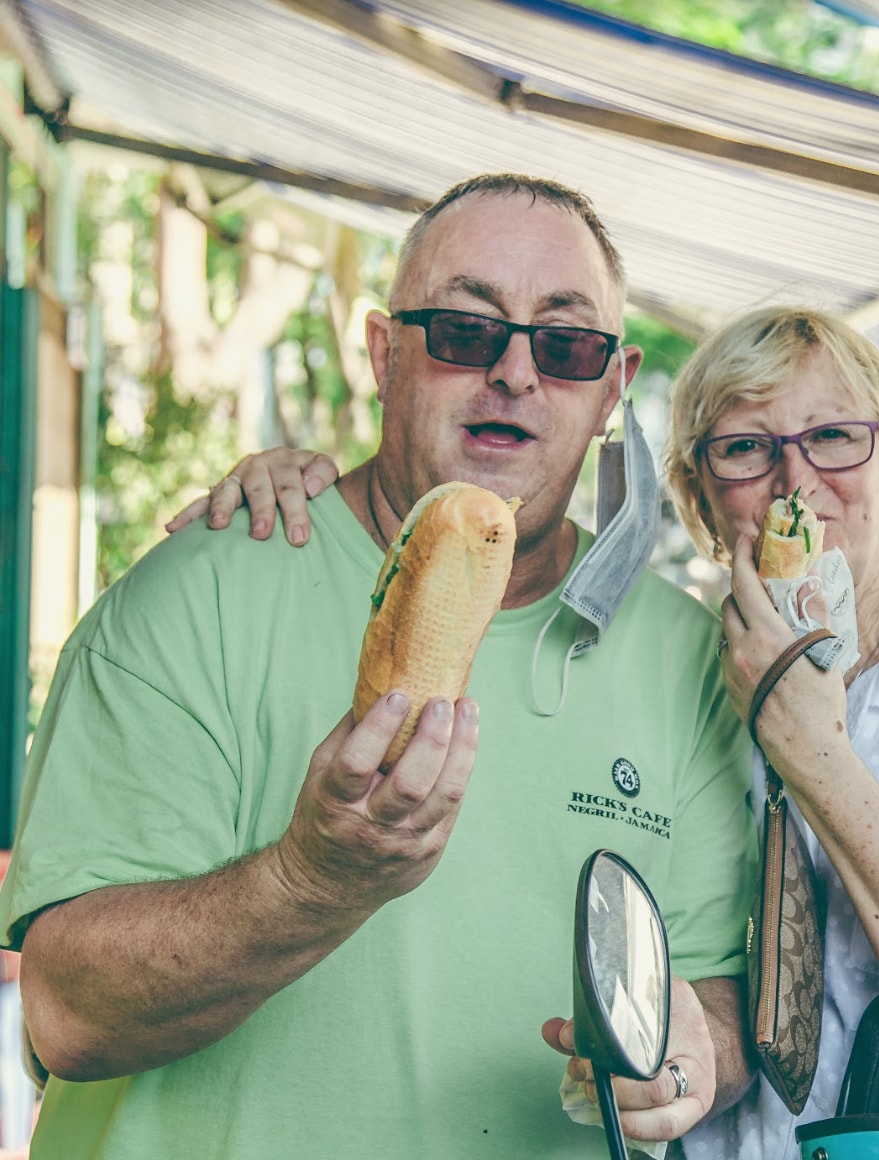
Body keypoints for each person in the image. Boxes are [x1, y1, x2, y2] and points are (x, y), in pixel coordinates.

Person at [205, 306, 879, 1159]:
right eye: (745, 449)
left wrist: (815, 756)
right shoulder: (676, 666)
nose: (795, 482)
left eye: (835, 438)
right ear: (698, 497)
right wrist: (320, 490)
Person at [0, 174, 759, 1159]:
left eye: (565, 343)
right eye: (461, 328)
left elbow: (711, 999)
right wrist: (311, 880)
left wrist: (690, 1061)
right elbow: (67, 1012)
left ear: (613, 385)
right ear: (382, 352)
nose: (516, 373)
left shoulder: (686, 656)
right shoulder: (197, 592)